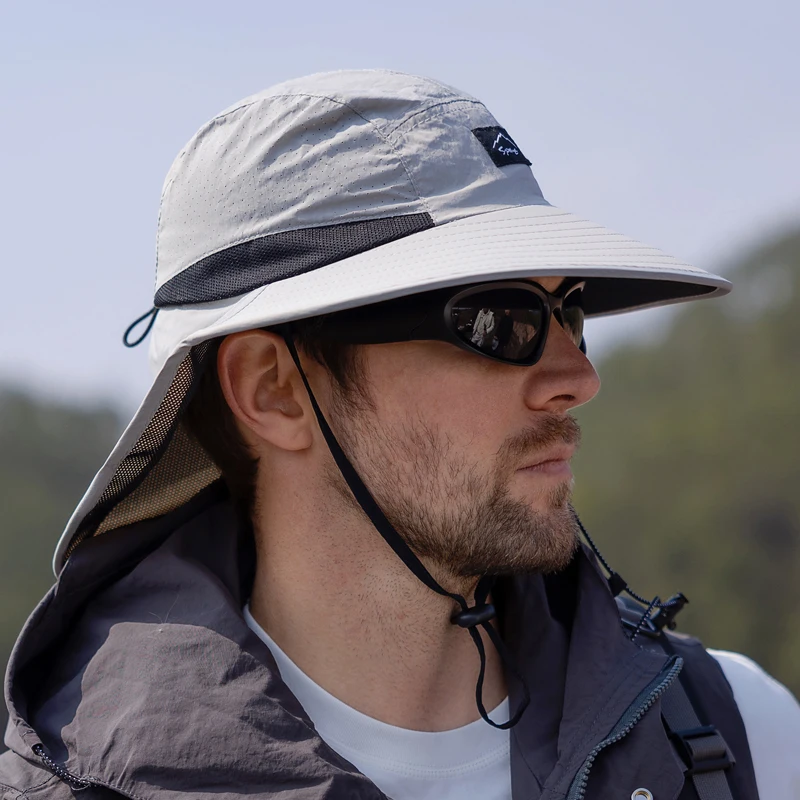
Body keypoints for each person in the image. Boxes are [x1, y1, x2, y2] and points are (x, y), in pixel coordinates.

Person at [1, 69, 798, 800]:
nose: (578, 378)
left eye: (571, 312)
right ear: (274, 389)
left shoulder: (738, 737)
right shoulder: (72, 785)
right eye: (498, 320)